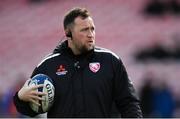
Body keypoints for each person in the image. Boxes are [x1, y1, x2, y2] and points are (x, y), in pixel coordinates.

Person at [13, 7, 142, 118]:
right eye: (84, 30)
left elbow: (129, 103)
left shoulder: (110, 61)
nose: (90, 34)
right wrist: (20, 98)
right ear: (68, 33)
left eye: (92, 29)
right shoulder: (48, 65)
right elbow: (31, 109)